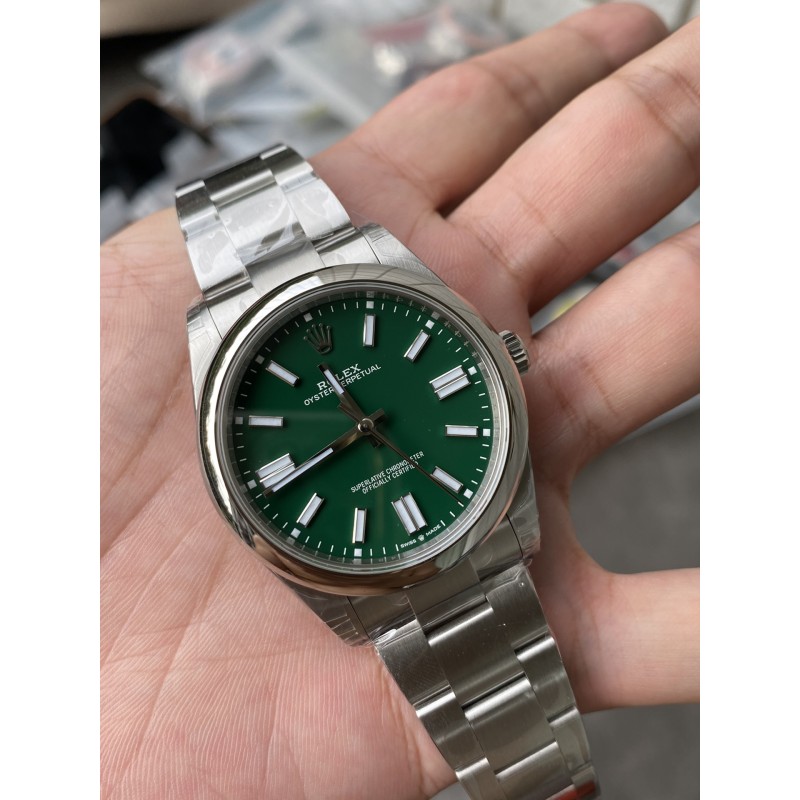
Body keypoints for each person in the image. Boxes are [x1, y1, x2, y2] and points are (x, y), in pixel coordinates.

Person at [101, 4, 699, 797]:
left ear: (503, 355)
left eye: (365, 423)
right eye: (359, 427)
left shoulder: (399, 308)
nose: (365, 425)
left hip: (437, 515)